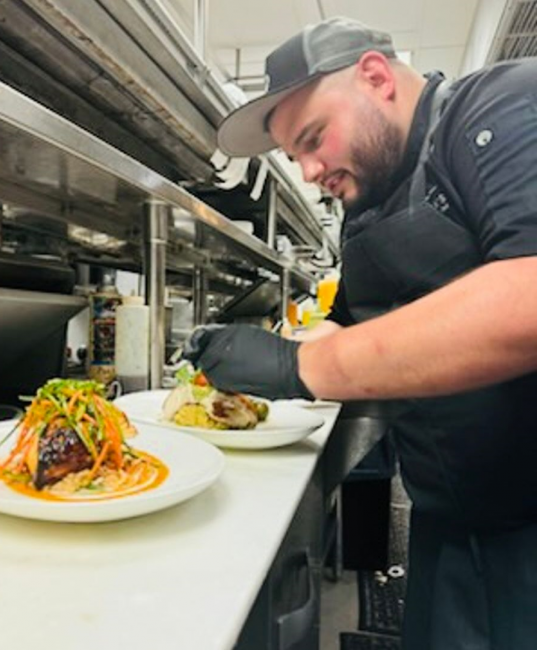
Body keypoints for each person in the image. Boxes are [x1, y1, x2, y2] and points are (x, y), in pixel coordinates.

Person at [183, 16, 537, 650]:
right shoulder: (366, 206)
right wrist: (254, 352)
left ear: (375, 77)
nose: (311, 170)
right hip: (447, 526)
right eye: (296, 157)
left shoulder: (503, 104)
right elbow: (346, 324)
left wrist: (300, 369)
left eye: (314, 138)